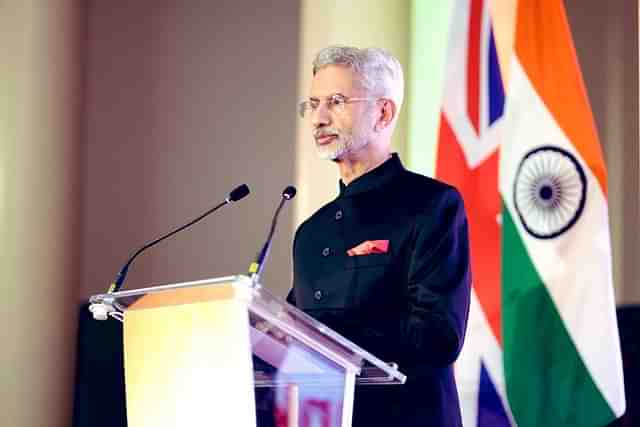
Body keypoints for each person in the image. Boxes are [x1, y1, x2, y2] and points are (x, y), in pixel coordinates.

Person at [286, 46, 472, 427]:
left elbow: (439, 335)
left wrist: (329, 329)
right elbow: (291, 338)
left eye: (336, 102)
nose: (319, 118)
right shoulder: (310, 233)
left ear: (383, 113)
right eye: (314, 103)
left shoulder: (432, 205)